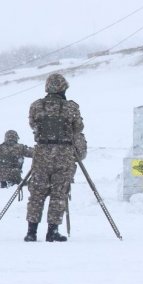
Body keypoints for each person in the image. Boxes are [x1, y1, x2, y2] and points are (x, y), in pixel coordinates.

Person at [24, 73, 85, 243]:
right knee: (59, 193)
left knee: (36, 193)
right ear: (63, 88)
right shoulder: (71, 107)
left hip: (42, 153)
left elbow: (33, 125)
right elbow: (78, 128)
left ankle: (31, 231)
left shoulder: (36, 106)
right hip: (63, 154)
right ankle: (52, 231)